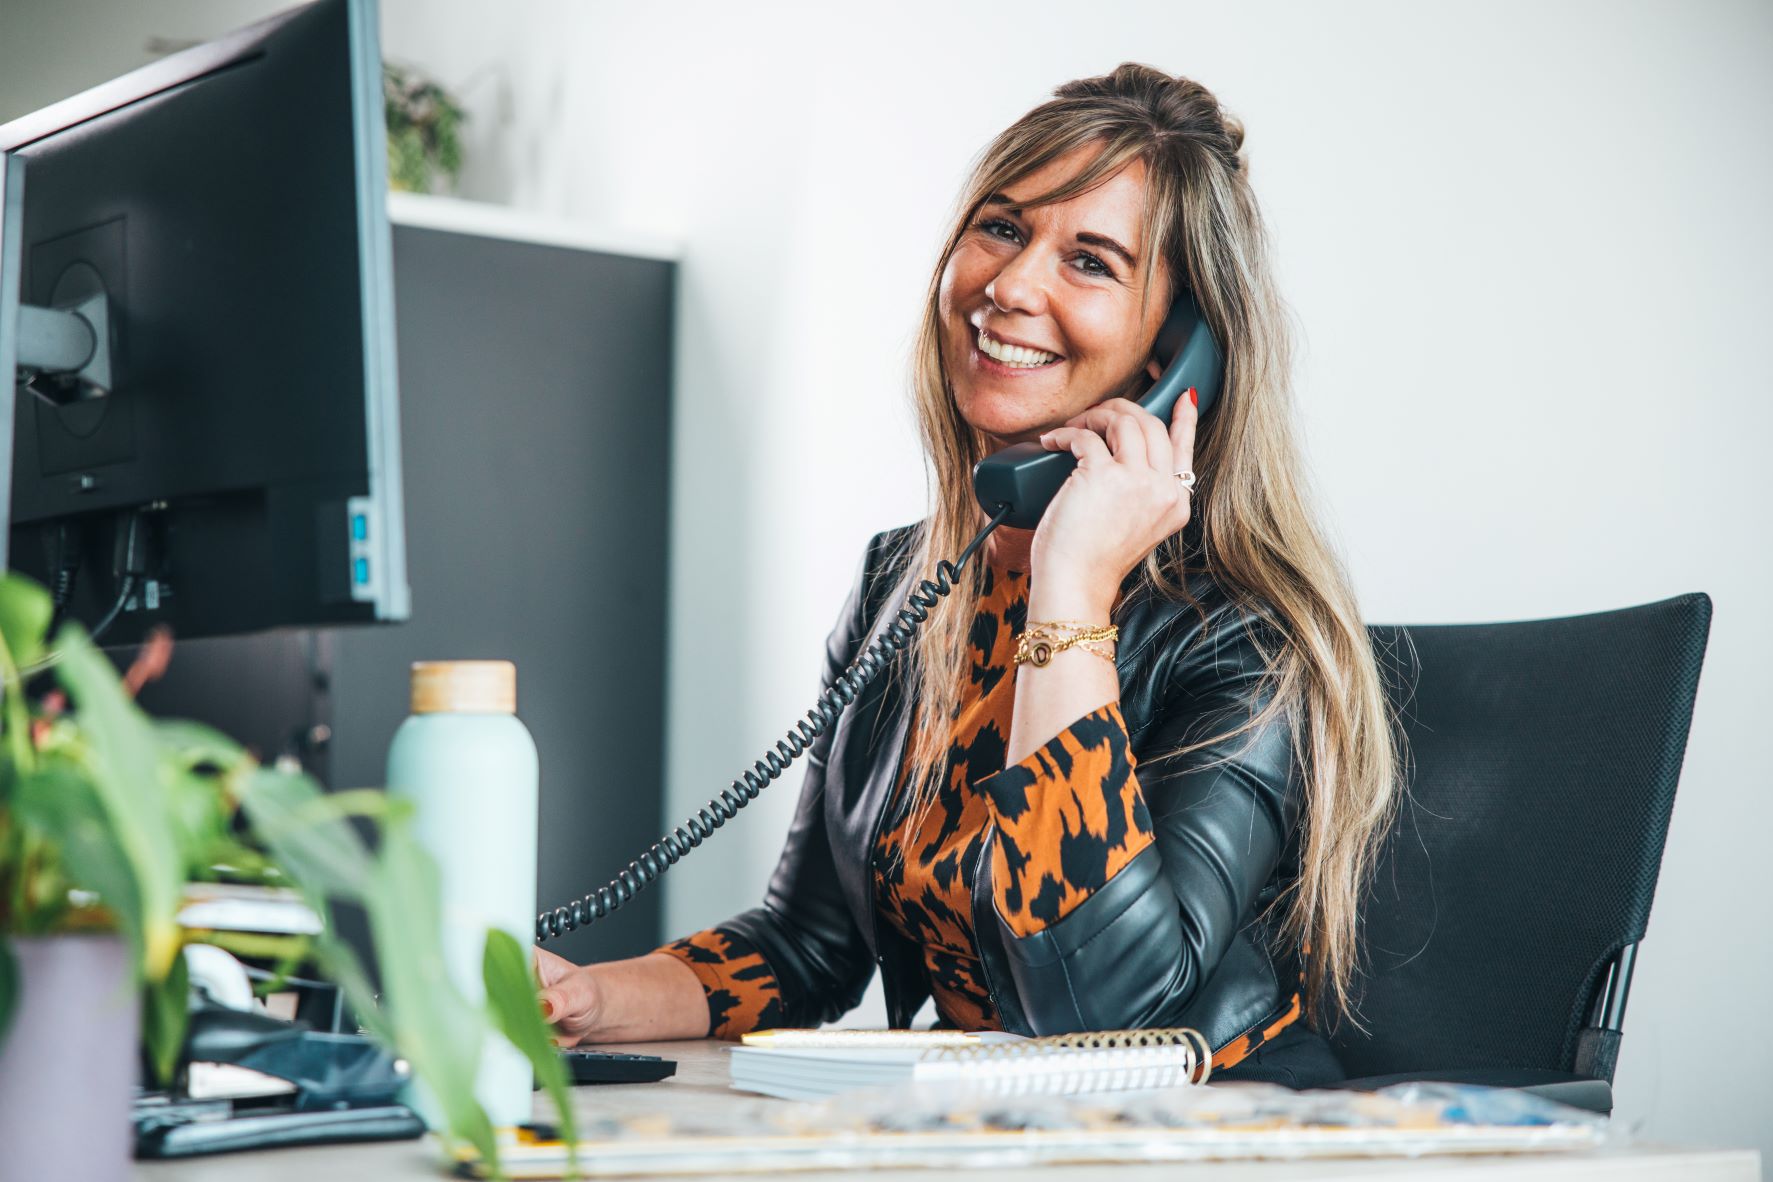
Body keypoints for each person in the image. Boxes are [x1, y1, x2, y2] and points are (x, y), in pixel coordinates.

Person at [535, 63, 1401, 1088]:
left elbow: (1106, 1016)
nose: (1013, 285)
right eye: (1000, 228)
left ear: (1177, 350)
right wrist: (590, 1000)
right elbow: (808, 944)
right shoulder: (906, 583)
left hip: (1217, 1134)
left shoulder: (1246, 632)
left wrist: (1071, 590)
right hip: (984, 1128)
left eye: (1090, 260)